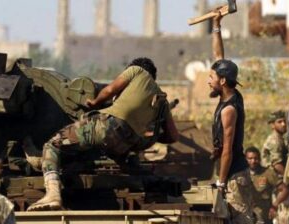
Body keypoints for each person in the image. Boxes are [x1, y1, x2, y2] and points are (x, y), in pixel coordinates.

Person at [28, 57, 182, 211]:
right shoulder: (162, 100)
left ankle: (52, 194)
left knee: (53, 145)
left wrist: (95, 102)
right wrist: (149, 135)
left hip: (106, 127)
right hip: (126, 143)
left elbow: (109, 90)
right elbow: (173, 136)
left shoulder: (136, 70)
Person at [209, 12, 256, 224]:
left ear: (223, 81)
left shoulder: (229, 110)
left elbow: (228, 149)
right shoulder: (227, 94)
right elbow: (219, 58)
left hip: (234, 175)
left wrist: (222, 181)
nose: (208, 81)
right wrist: (216, 26)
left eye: (212, 78)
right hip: (227, 171)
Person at [246, 147, 289, 224]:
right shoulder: (241, 174)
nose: (253, 161)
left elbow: (284, 190)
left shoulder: (268, 173)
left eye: (256, 158)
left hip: (263, 217)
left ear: (260, 159)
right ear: (245, 159)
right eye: (250, 158)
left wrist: (275, 206)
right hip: (246, 216)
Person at [261, 110, 288, 175]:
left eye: (284, 121)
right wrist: (288, 178)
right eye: (279, 122)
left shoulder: (280, 138)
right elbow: (277, 165)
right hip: (272, 176)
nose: (283, 124)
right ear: (273, 125)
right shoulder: (275, 141)